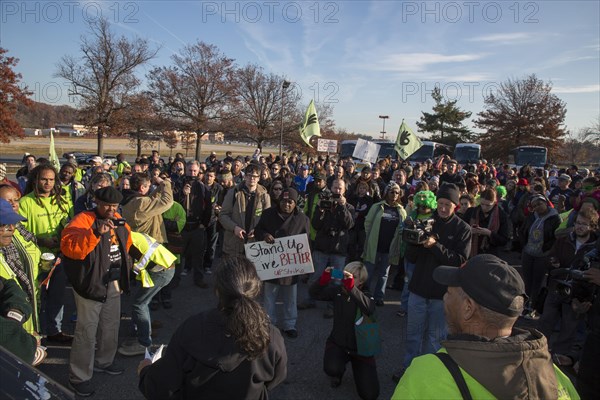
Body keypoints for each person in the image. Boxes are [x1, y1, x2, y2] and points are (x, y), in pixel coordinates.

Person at [392, 254, 579, 399]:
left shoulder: (426, 374)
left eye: (449, 293)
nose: (444, 298)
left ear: (468, 308)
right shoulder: (553, 375)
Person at [137, 256, 287, 399]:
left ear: (217, 291)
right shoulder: (269, 335)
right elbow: (276, 378)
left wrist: (145, 370)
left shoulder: (191, 329)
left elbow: (161, 388)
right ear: (256, 290)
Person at [61, 186, 133, 397]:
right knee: (86, 332)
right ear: (96, 203)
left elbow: (126, 243)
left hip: (113, 282)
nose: (111, 210)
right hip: (90, 284)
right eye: (106, 205)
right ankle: (79, 376)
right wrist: (94, 233)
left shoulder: (119, 219)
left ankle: (104, 361)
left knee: (111, 325)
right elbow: (69, 248)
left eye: (114, 206)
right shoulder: (83, 220)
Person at [396, 183, 471, 381]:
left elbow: (460, 262)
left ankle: (428, 376)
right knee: (413, 335)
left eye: (448, 204)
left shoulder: (463, 229)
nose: (443, 208)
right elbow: (411, 258)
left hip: (443, 294)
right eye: (440, 203)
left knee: (435, 339)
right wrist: (413, 240)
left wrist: (435, 246)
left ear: (455, 206)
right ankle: (408, 369)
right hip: (418, 288)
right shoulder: (427, 221)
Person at [19, 164, 73, 344]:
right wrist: (40, 240)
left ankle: (54, 330)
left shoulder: (63, 200)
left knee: (57, 296)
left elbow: (71, 225)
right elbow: (19, 231)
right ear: (36, 180)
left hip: (58, 256)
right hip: (35, 257)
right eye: (44, 179)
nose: (48, 183)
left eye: (51, 179)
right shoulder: (25, 202)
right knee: (36, 296)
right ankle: (34, 332)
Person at [309, 262, 379, 400]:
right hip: (339, 343)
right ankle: (339, 372)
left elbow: (370, 308)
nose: (348, 279)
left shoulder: (366, 294)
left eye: (354, 277)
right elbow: (313, 293)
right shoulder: (338, 291)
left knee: (370, 395)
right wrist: (323, 280)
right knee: (331, 368)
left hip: (361, 349)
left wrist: (352, 288)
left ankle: (358, 369)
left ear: (362, 281)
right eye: (346, 275)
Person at [254, 188, 310, 338]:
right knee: (269, 296)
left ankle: (289, 324)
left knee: (290, 297)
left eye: (290, 201)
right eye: (284, 201)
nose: (286, 204)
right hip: (272, 264)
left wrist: (305, 266)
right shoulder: (268, 214)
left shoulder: (302, 219)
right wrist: (264, 235)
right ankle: (268, 324)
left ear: (295, 203)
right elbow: (258, 230)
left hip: (291, 265)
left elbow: (306, 243)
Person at [298, 178, 355, 318]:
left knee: (336, 279)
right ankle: (310, 299)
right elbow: (316, 225)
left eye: (340, 188)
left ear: (345, 190)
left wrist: (342, 206)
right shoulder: (324, 203)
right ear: (331, 188)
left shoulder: (349, 207)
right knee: (316, 276)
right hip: (322, 247)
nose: (337, 190)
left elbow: (348, 225)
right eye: (335, 187)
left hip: (338, 250)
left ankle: (332, 305)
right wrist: (319, 209)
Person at [362, 182, 407, 306]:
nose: (394, 194)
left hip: (390, 248)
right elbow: (368, 223)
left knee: (384, 274)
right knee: (369, 271)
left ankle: (379, 297)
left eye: (397, 192)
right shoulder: (377, 207)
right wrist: (371, 237)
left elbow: (403, 229)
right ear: (386, 192)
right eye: (392, 191)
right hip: (375, 245)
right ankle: (365, 294)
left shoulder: (401, 211)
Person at [519, 194, 561, 319]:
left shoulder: (554, 218)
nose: (538, 207)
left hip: (543, 255)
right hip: (528, 252)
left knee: (537, 281)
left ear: (546, 203)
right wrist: (524, 244)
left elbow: (555, 237)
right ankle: (525, 305)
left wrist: (548, 249)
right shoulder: (532, 216)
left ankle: (533, 306)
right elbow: (523, 230)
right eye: (534, 205)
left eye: (540, 204)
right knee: (527, 280)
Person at [219, 164, 270, 257]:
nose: (252, 178)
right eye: (249, 175)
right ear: (245, 176)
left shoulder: (264, 196)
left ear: (259, 178)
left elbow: (268, 219)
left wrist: (257, 230)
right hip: (234, 243)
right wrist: (234, 228)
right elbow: (223, 215)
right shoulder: (234, 192)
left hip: (255, 245)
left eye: (255, 176)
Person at [463, 188, 510, 257]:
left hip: (491, 254)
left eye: (488, 205)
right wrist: (469, 231)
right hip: (471, 252)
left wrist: (489, 233)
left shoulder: (501, 215)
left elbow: (504, 240)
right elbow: (461, 231)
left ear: (494, 203)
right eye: (482, 204)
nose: (484, 207)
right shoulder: (471, 212)